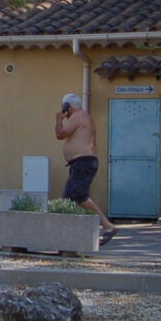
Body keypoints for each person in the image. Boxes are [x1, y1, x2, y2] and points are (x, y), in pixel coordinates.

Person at [54, 93, 118, 243]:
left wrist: (58, 119)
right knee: (66, 200)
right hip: (81, 162)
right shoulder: (84, 117)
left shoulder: (78, 116)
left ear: (67, 106)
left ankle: (108, 226)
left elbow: (60, 134)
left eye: (64, 107)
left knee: (79, 194)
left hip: (83, 162)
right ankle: (62, 235)